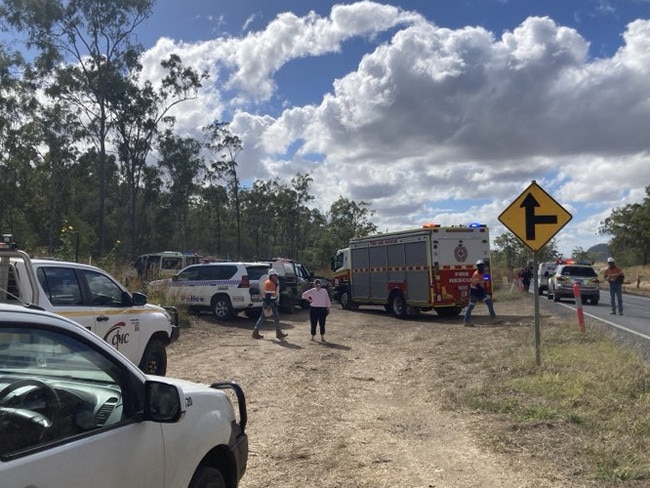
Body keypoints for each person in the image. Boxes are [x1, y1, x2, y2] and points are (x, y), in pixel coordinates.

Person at [252, 269, 288, 340]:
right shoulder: (270, 283)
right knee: (269, 317)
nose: (276, 276)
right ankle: (277, 333)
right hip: (270, 302)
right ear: (271, 276)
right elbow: (268, 295)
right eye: (275, 275)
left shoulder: (271, 282)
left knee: (271, 317)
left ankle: (256, 332)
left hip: (270, 302)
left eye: (276, 275)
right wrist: (268, 305)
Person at [463, 260, 497, 327]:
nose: (481, 268)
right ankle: (466, 322)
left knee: (489, 302)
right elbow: (478, 287)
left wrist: (488, 278)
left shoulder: (483, 273)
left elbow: (486, 280)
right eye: (480, 267)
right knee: (471, 306)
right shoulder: (476, 275)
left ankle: (493, 318)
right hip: (474, 292)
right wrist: (486, 293)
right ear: (478, 267)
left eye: (482, 266)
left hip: (480, 292)